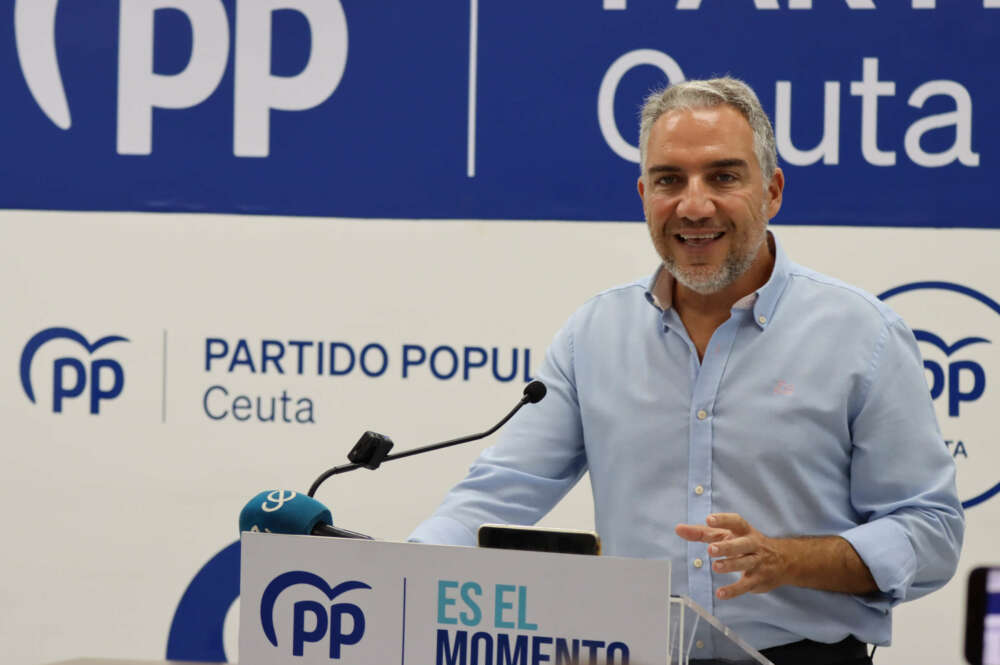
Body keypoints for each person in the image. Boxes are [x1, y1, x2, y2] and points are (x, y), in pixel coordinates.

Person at [409, 77, 964, 665]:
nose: (694, 206)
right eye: (670, 181)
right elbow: (501, 491)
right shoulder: (594, 334)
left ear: (772, 191)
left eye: (723, 177)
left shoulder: (863, 335)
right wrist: (402, 571)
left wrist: (785, 560)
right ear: (643, 193)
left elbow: (930, 532)